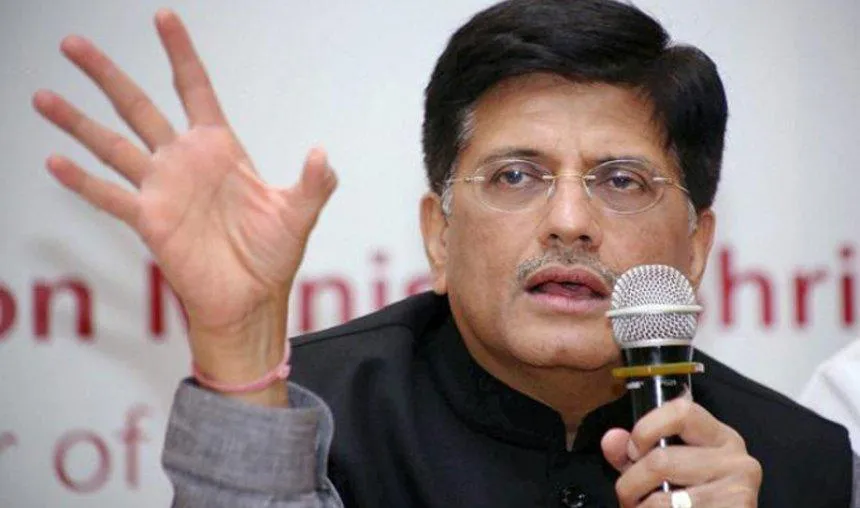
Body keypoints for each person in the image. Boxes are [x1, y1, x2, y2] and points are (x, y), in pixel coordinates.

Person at [33, 0, 857, 506]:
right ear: (439, 233)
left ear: (697, 247)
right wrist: (238, 343)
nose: (570, 221)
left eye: (621, 180)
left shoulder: (802, 465)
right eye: (515, 175)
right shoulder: (308, 419)